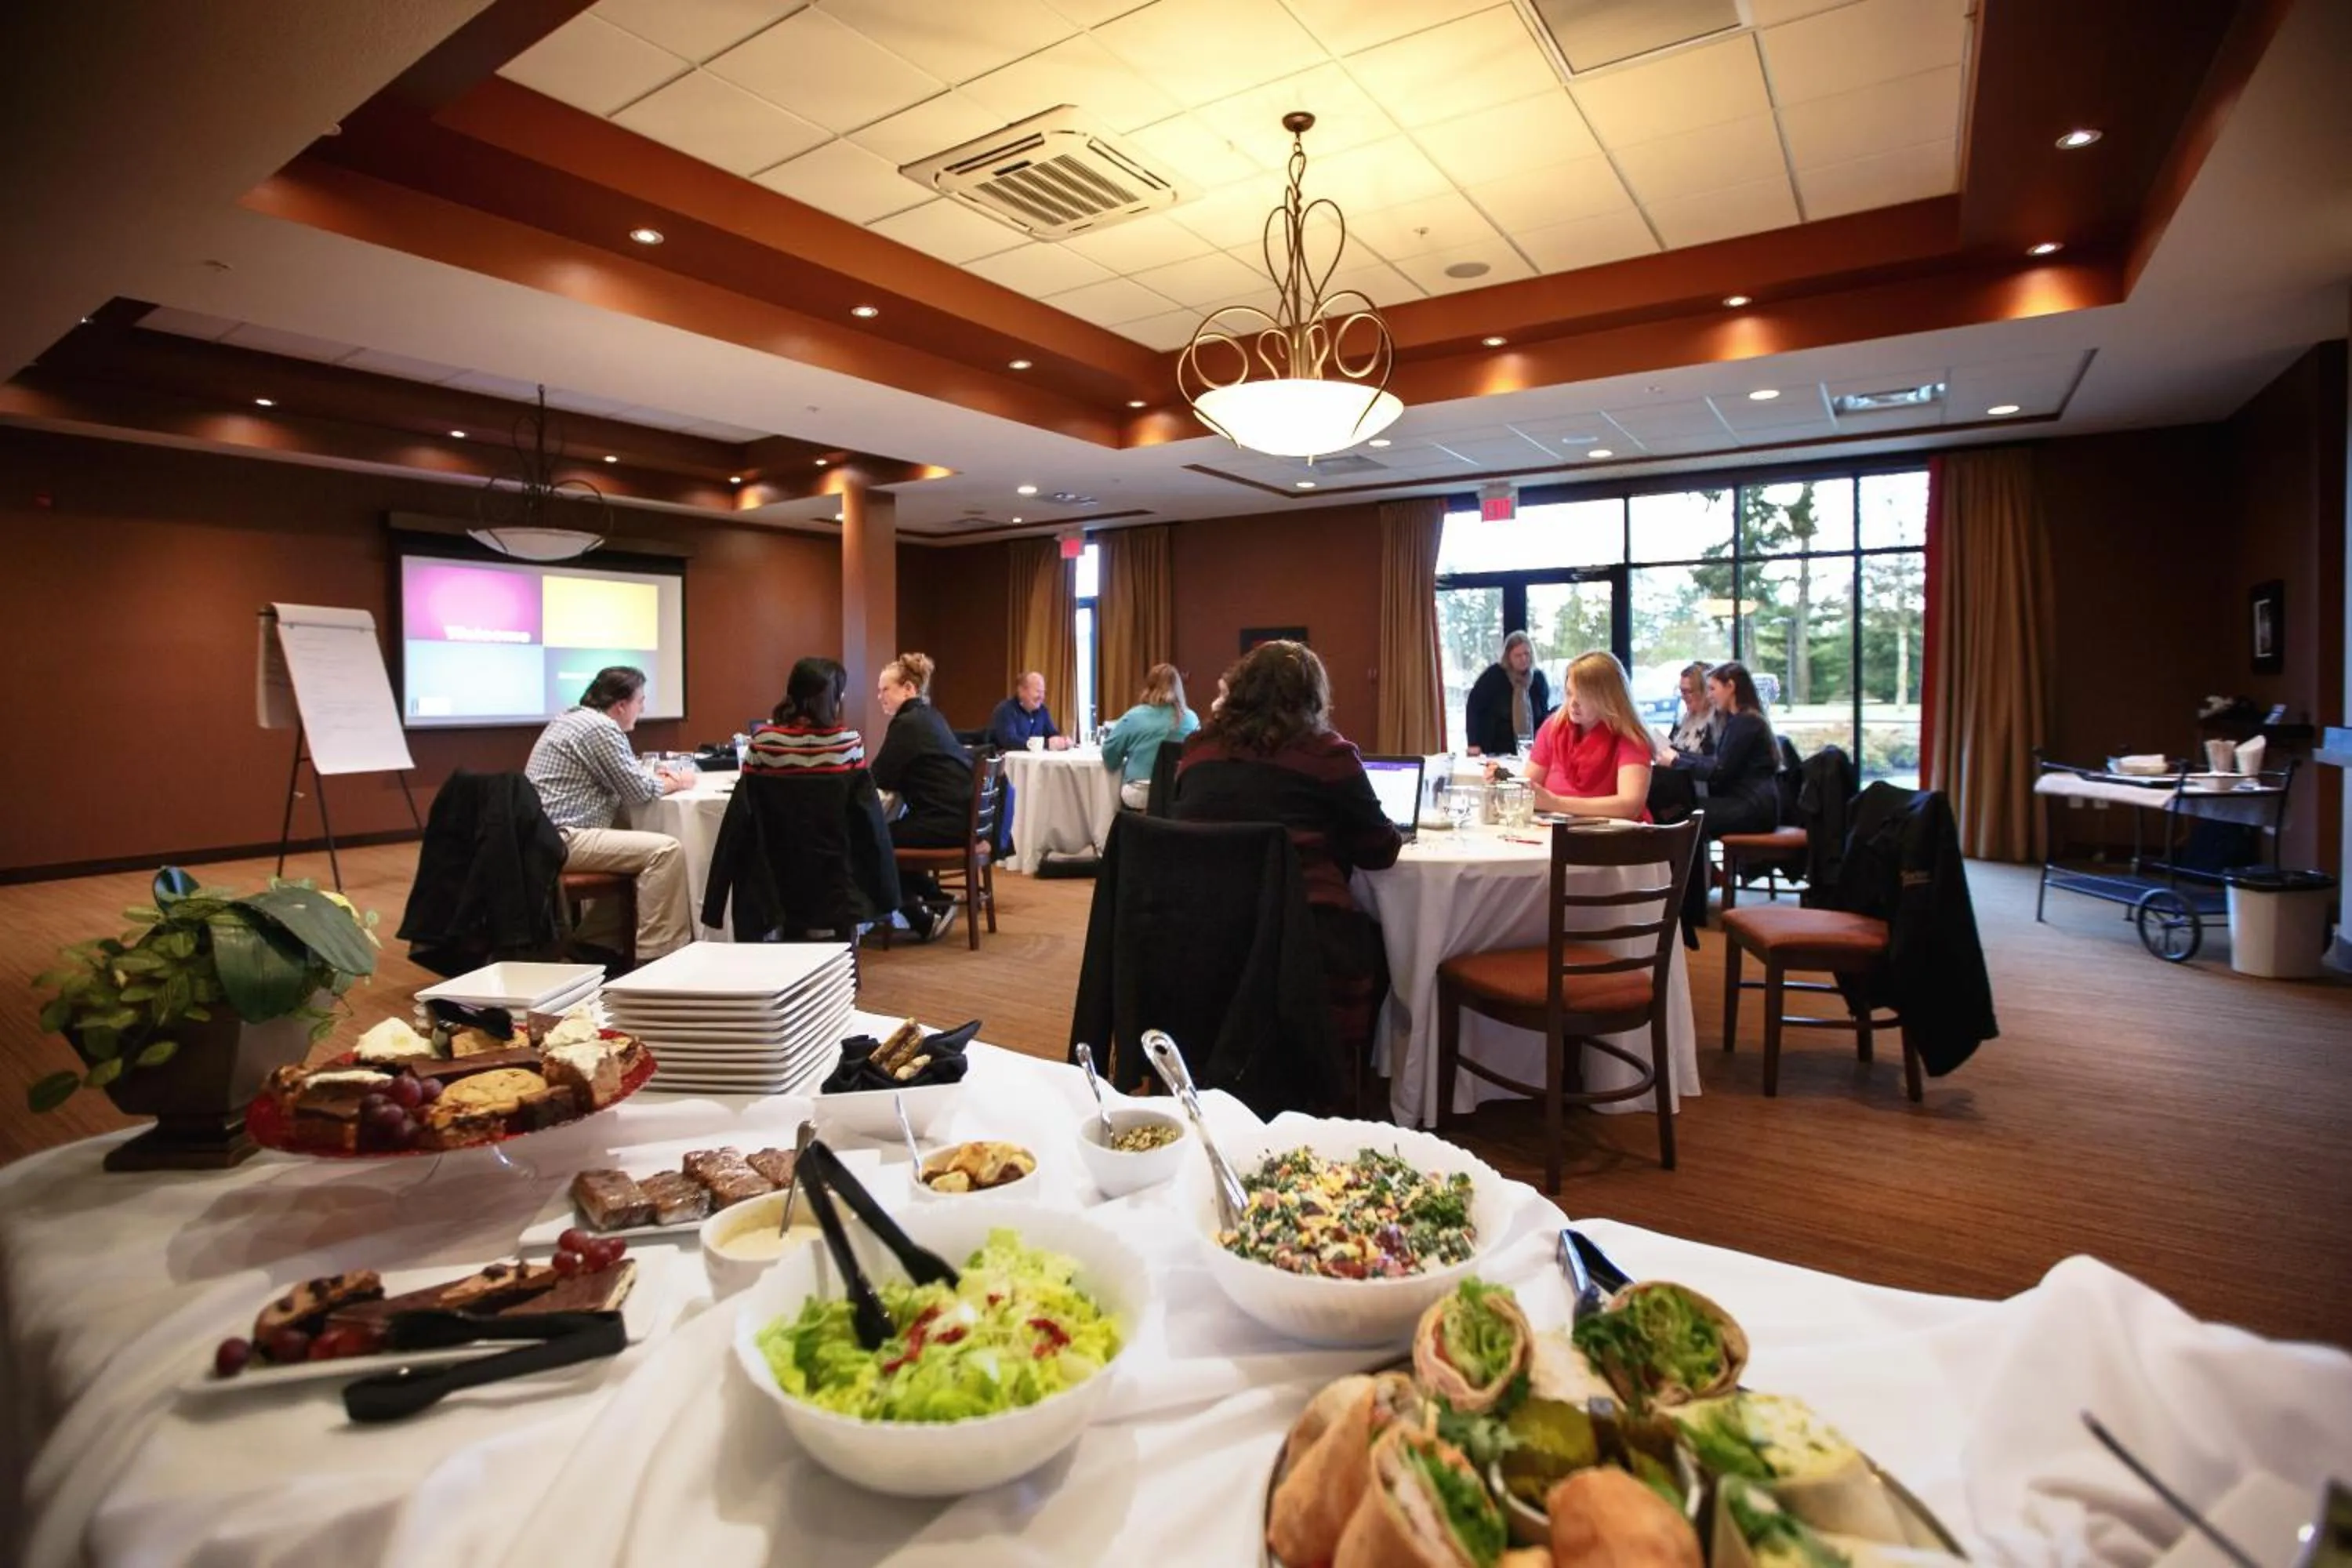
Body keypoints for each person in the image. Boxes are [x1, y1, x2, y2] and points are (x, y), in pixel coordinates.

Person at [1173, 641, 1402, 1102]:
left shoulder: (1197, 751)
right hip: (1307, 945)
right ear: (1313, 697)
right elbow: (1381, 849)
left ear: (1237, 689)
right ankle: (1343, 1079)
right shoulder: (1328, 756)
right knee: (1385, 942)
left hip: (1202, 940)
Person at [707, 657, 899, 938]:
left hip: (775, 876)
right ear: (833, 697)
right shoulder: (847, 744)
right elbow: (867, 821)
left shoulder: (763, 744)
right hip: (834, 877)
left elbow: (742, 818)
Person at [523, 665, 696, 960]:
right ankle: (658, 954)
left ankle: (597, 941)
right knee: (665, 850)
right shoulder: (602, 728)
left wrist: (653, 781)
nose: (642, 708)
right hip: (563, 839)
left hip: (541, 835)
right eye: (640, 701)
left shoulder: (571, 718)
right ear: (620, 705)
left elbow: (624, 781)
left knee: (630, 835)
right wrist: (678, 781)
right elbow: (639, 791)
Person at [1656, 659, 1782, 942]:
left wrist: (1676, 760)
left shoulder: (1745, 723)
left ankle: (1686, 905)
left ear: (1731, 687)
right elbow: (1717, 765)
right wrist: (1678, 758)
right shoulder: (1743, 720)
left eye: (1713, 688)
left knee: (1680, 815)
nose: (1710, 695)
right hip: (1750, 803)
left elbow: (1719, 772)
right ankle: (1688, 902)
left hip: (1751, 807)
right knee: (1680, 811)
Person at [871, 652, 971, 943]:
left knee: (873, 840)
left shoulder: (906, 724)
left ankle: (922, 918)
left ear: (908, 689)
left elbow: (880, 776)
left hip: (943, 822)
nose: (880, 697)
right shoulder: (930, 716)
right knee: (882, 837)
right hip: (959, 817)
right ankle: (936, 897)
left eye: (885, 689)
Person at [1524, 651, 1654, 822]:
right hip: (1555, 830)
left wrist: (1555, 803)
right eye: (1569, 693)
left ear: (1608, 698)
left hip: (1614, 838)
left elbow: (1630, 805)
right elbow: (1529, 788)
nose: (1573, 703)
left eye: (1583, 696)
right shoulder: (1554, 726)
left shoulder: (1629, 736)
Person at [1099, 663, 1200, 811]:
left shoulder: (1134, 716)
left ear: (1149, 687)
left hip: (1140, 792)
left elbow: (1110, 757)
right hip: (1179, 793)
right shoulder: (1192, 719)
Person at [1462, 630, 1552, 757]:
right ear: (1508, 656)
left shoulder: (1538, 679)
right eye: (1518, 655)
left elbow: (1543, 715)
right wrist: (1473, 743)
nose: (1524, 659)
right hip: (1495, 747)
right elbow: (1473, 708)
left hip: (1531, 750)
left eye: (1527, 654)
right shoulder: (1493, 676)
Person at [987, 671, 1069, 753]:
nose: (1041, 697)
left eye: (1043, 692)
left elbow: (1052, 734)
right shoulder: (1005, 710)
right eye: (1038, 691)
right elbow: (1009, 741)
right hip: (1009, 763)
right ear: (1022, 690)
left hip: (1035, 763)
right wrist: (1045, 744)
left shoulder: (1042, 711)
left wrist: (1062, 741)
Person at [1664, 660, 1724, 759]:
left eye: (1688, 691)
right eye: (1681, 691)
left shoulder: (1716, 724)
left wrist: (1677, 758)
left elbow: (1711, 764)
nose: (1683, 697)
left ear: (1705, 691)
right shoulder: (1683, 719)